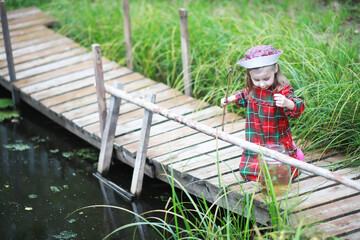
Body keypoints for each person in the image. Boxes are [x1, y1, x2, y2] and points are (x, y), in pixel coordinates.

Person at [221, 45, 305, 181]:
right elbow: (244, 94)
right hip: (256, 135)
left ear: (275, 69)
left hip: (276, 136)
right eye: (256, 80)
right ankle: (255, 170)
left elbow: (298, 105)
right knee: (255, 162)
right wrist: (229, 99)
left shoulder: (281, 89)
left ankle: (293, 157)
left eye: (266, 79)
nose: (261, 84)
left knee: (279, 167)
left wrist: (287, 103)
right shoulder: (253, 88)